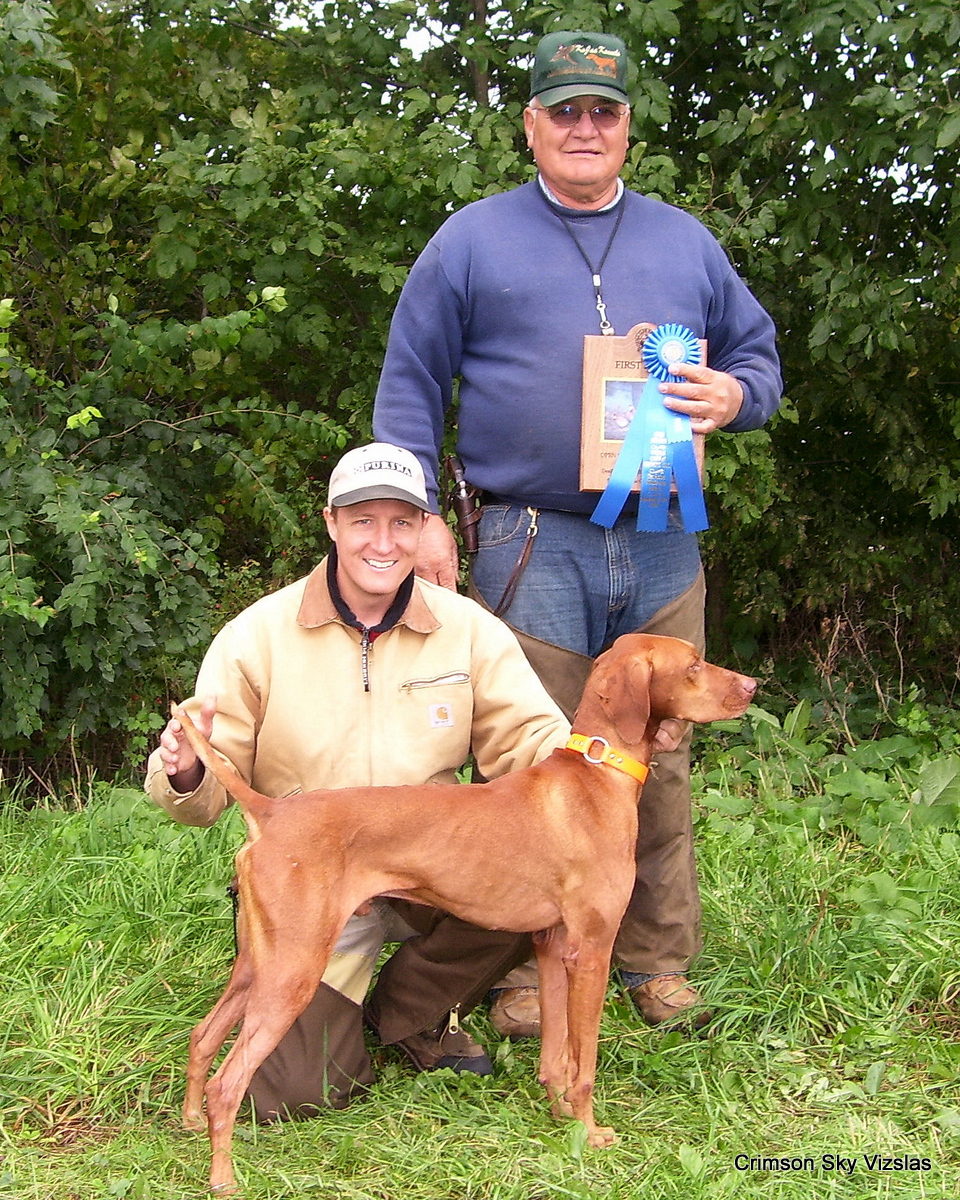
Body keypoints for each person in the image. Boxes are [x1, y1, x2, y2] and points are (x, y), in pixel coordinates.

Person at [372, 30, 783, 1037]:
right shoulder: (470, 239)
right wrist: (418, 513)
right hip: (530, 537)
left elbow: (758, 358)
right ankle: (524, 970)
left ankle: (654, 960)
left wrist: (737, 394)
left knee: (661, 754)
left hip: (662, 537)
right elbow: (410, 386)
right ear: (532, 126)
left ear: (628, 127)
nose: (584, 128)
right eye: (564, 110)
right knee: (534, 756)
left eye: (603, 111)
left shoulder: (684, 242)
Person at [145, 442, 571, 1119]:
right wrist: (185, 768)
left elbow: (535, 740)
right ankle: (338, 1011)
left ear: (424, 528)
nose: (383, 541)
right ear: (331, 524)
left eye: (402, 522)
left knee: (541, 881)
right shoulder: (256, 636)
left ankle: (412, 1006)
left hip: (435, 866)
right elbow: (203, 791)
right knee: (294, 1094)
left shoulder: (467, 629)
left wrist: (604, 753)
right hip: (316, 870)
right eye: (363, 521)